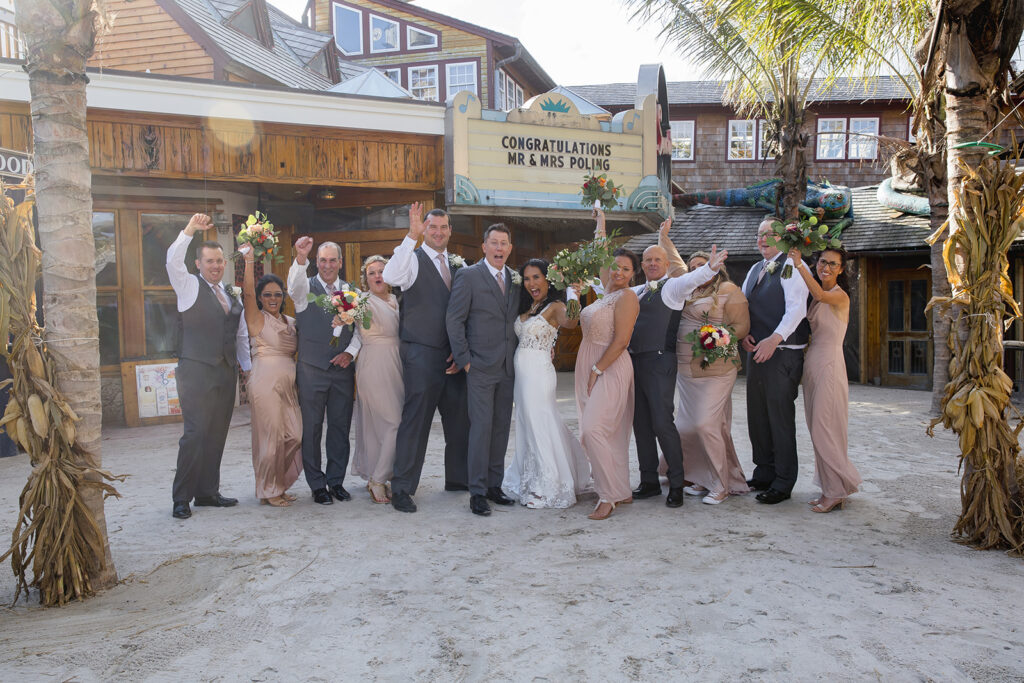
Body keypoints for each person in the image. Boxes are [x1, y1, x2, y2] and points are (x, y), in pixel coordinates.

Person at [628, 218, 727, 508]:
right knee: (641, 424)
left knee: (662, 422)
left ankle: (676, 483)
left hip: (660, 362)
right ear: (643, 265)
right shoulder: (636, 292)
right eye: (648, 260)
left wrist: (710, 267)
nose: (653, 263)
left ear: (665, 263)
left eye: (658, 259)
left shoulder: (673, 289)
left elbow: (692, 279)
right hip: (636, 363)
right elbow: (612, 295)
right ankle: (647, 482)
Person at [383, 204, 469, 513]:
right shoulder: (413, 260)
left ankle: (459, 478)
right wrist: (411, 236)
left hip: (454, 357)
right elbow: (390, 275)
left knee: (460, 420)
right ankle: (403, 489)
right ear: (425, 229)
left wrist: (461, 353)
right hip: (420, 353)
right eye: (432, 227)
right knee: (416, 422)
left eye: (443, 228)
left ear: (449, 231)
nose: (438, 232)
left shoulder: (459, 265)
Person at [165, 213, 251, 520]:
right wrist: (188, 230)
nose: (216, 266)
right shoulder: (188, 286)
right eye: (210, 261)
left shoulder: (230, 293)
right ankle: (181, 498)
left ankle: (207, 492)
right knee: (196, 433)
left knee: (216, 433)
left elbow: (239, 333)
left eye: (219, 261)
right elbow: (173, 261)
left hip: (225, 371)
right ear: (199, 264)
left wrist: (247, 368)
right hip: (196, 371)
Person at [502, 258, 591, 509]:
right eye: (527, 278)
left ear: (547, 279)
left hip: (539, 374)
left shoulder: (555, 306)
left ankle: (547, 485)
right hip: (522, 375)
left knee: (540, 423)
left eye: (536, 277)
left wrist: (574, 293)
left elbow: (571, 322)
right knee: (527, 423)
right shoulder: (528, 305)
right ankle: (529, 478)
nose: (532, 283)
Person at [669, 243, 751, 505]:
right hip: (686, 370)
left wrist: (716, 338)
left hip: (717, 369)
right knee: (688, 427)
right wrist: (664, 238)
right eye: (692, 269)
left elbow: (742, 327)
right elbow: (673, 264)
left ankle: (721, 484)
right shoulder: (688, 291)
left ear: (715, 268)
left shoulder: (729, 290)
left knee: (706, 424)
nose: (697, 271)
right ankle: (701, 477)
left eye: (702, 266)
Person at [447, 223, 520, 517]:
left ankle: (494, 485)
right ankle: (476, 492)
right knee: (481, 429)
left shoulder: (515, 280)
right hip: (478, 366)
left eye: (504, 243)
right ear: (484, 246)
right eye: (494, 243)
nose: (499, 248)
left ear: (509, 248)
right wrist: (465, 360)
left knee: (501, 428)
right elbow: (454, 320)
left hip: (507, 367)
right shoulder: (468, 276)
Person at [575, 210, 640, 521]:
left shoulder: (627, 298)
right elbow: (601, 251)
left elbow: (622, 340)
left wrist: (597, 370)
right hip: (588, 362)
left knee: (592, 429)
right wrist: (600, 222)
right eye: (615, 266)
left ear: (632, 274)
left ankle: (608, 495)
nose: (618, 271)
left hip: (609, 365)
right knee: (604, 430)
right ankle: (620, 488)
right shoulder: (604, 293)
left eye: (626, 269)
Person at [287, 237, 361, 506]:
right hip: (311, 370)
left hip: (342, 371)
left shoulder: (351, 292)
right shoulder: (305, 287)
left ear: (340, 262)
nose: (327, 265)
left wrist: (349, 353)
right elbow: (293, 286)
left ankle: (336, 481)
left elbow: (360, 331)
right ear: (316, 263)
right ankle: (317, 485)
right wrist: (300, 258)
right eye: (322, 260)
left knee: (340, 428)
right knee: (312, 428)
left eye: (332, 260)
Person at [740, 218, 810, 505]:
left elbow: (797, 310)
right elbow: (743, 306)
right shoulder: (754, 269)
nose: (763, 239)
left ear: (782, 238)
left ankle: (783, 481)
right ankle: (764, 471)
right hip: (755, 353)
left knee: (779, 418)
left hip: (782, 354)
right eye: (759, 234)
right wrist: (743, 335)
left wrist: (774, 339)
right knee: (757, 415)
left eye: (769, 234)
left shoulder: (792, 266)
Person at [788, 246, 862, 513]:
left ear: (841, 269)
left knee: (824, 427)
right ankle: (831, 487)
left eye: (832, 264)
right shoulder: (819, 295)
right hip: (813, 362)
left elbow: (817, 292)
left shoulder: (838, 295)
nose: (826, 267)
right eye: (822, 262)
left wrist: (798, 264)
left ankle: (837, 489)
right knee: (816, 426)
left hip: (830, 363)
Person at [239, 244, 301, 507]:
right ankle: (269, 489)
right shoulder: (257, 319)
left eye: (277, 294)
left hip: (289, 385)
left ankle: (279, 483)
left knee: (295, 436)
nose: (273, 298)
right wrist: (250, 260)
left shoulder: (291, 322)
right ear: (261, 298)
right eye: (267, 295)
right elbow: (248, 292)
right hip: (264, 382)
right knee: (271, 438)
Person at [350, 255, 403, 505]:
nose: (378, 276)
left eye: (382, 271)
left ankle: (380, 474)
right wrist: (341, 320)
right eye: (372, 273)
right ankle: (378, 479)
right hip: (372, 364)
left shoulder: (396, 300)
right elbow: (355, 334)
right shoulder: (360, 301)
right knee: (393, 422)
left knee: (386, 425)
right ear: (366, 278)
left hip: (397, 364)